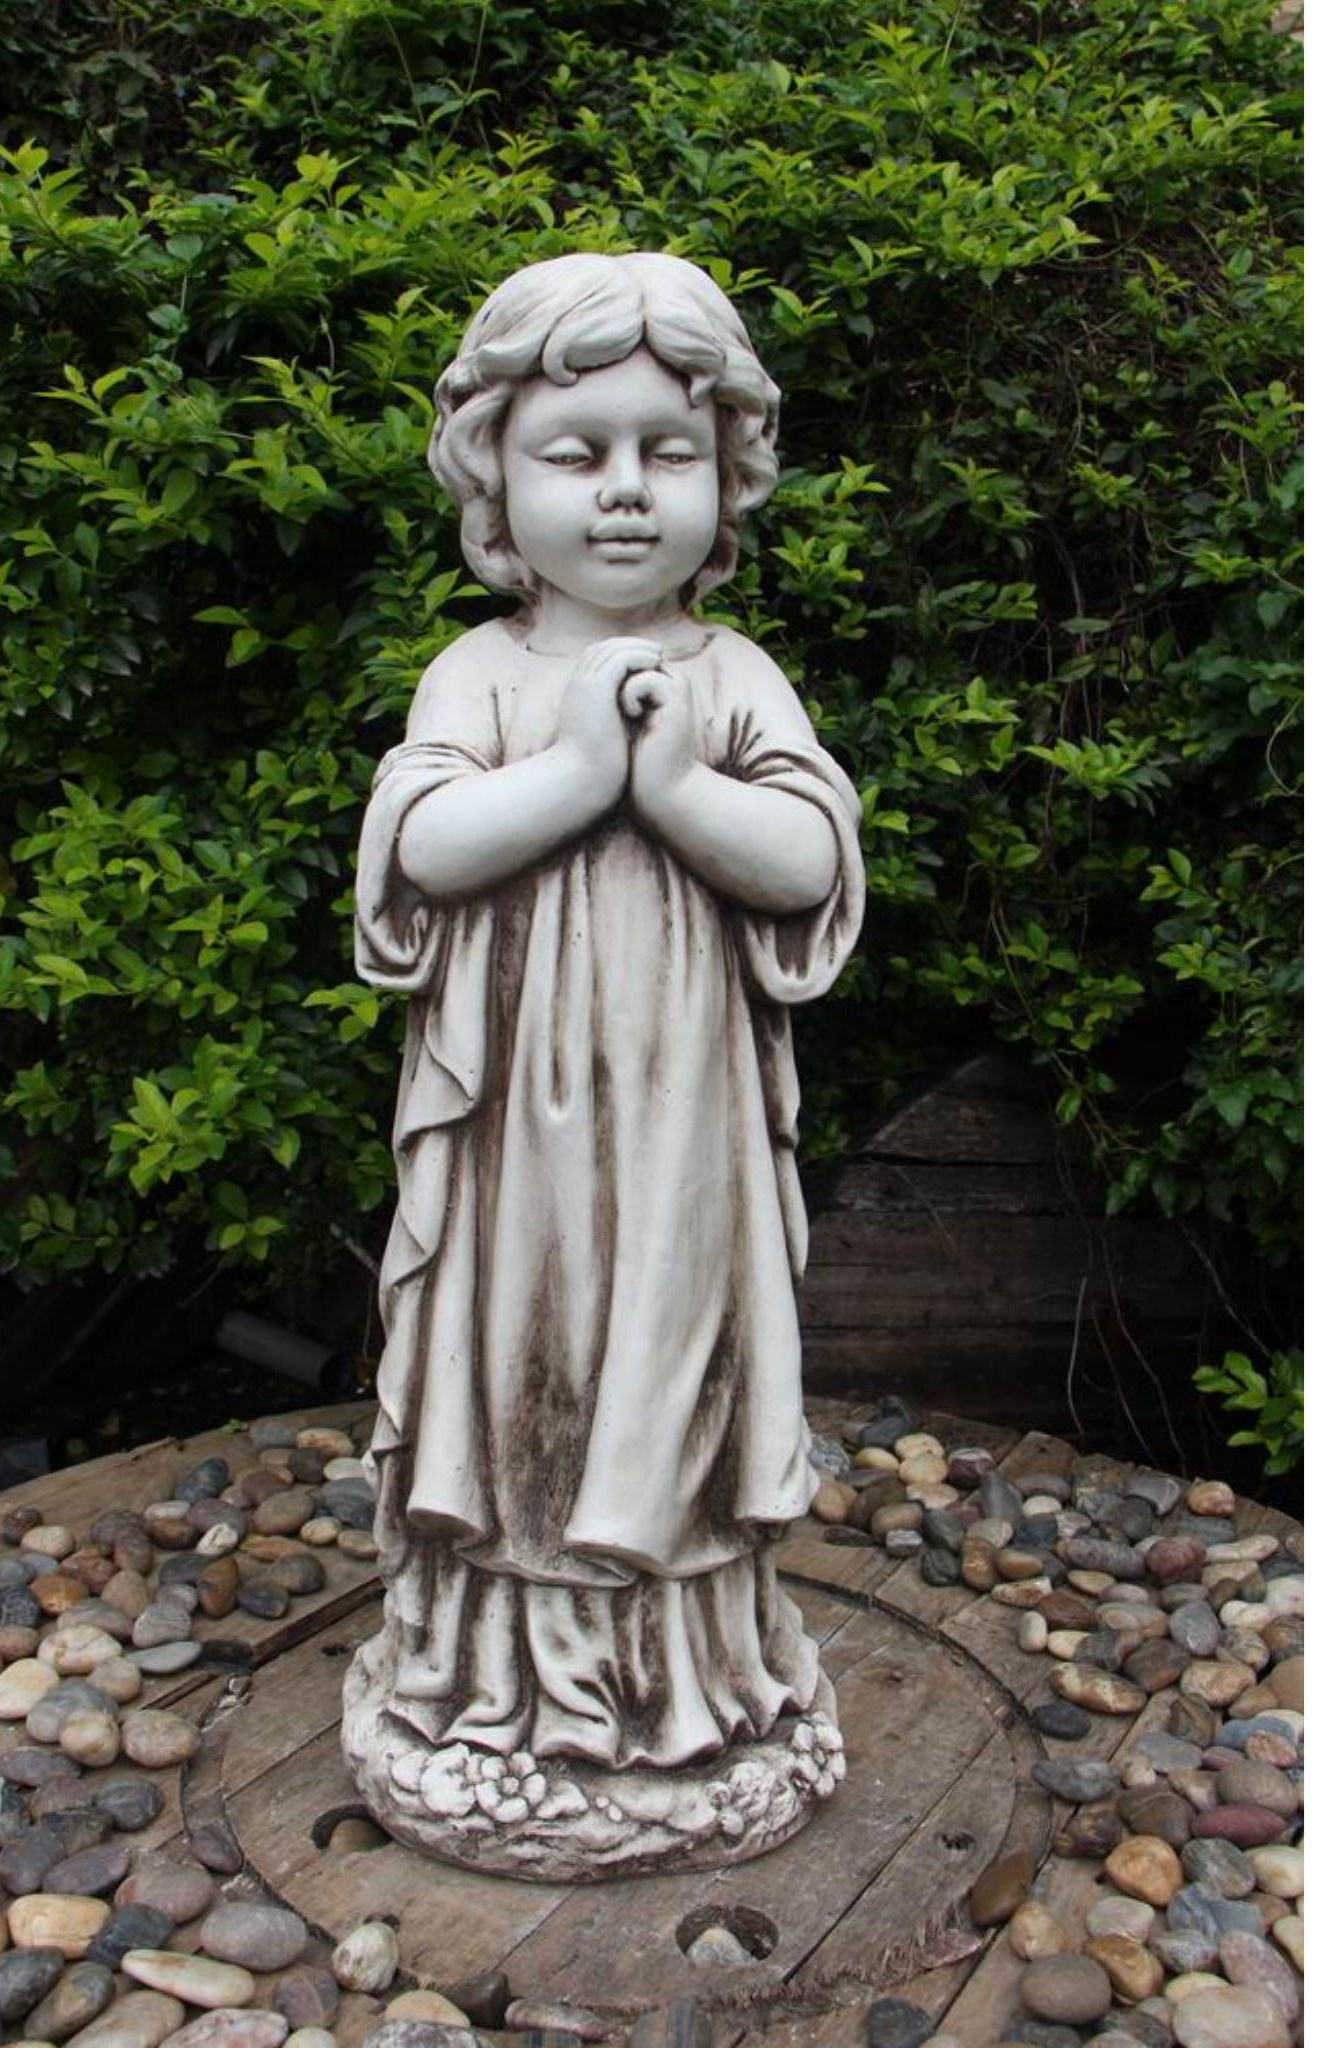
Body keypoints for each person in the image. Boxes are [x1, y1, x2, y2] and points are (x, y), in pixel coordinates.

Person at [351, 251, 865, 1777]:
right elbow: (420, 847)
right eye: (577, 454)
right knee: (523, 1369)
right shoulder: (482, 673)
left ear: (730, 477)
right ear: (495, 480)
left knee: (673, 1365)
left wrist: (676, 786)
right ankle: (504, 1674)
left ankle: (686, 1673)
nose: (628, 491)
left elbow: (809, 867)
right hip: (518, 1140)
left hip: (681, 1133)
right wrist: (575, 775)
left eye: (673, 453)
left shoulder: (737, 675)